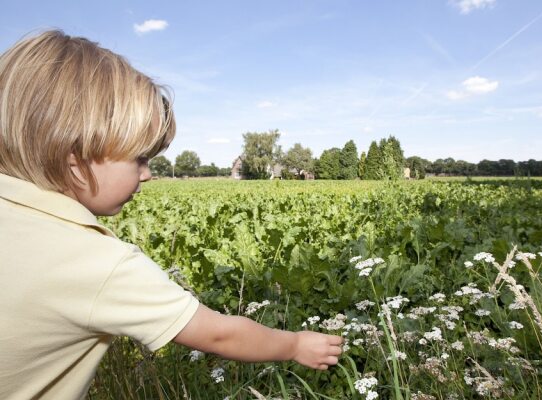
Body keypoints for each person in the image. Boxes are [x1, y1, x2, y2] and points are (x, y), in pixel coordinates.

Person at [0, 30, 343, 399]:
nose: (147, 174)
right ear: (75, 158)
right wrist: (294, 346)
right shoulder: (95, 262)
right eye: (140, 158)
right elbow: (218, 333)